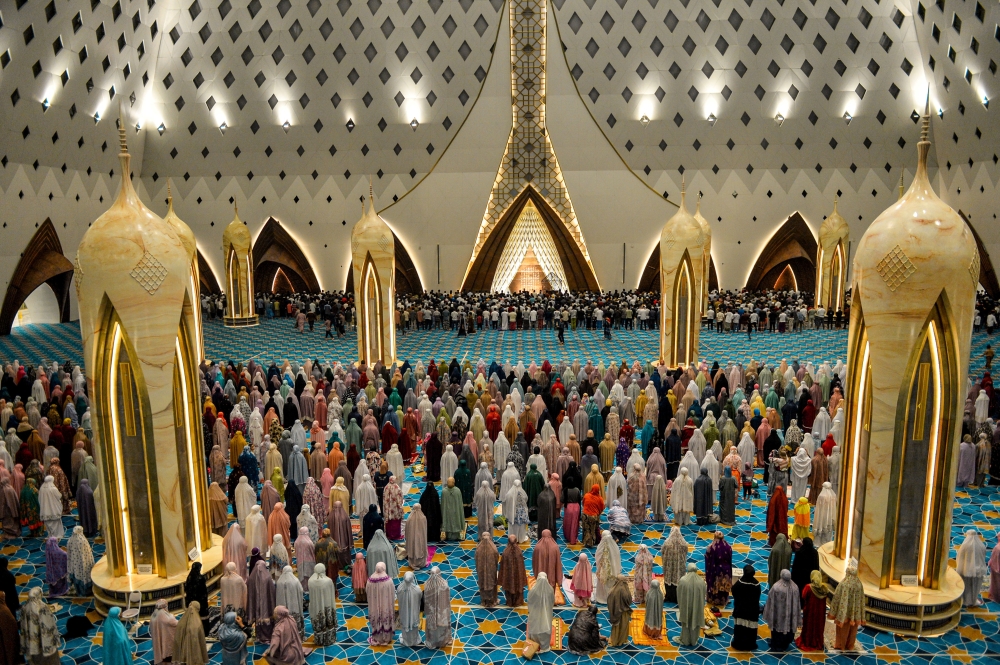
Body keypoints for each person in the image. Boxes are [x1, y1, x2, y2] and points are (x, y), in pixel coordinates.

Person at [828, 558, 865, 650]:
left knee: (842, 629)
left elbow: (838, 597)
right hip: (855, 613)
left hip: (844, 612)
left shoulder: (844, 583)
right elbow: (861, 599)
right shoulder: (859, 583)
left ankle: (840, 645)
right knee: (853, 630)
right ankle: (850, 645)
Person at [762, 569, 800, 651]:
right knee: (788, 629)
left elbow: (770, 601)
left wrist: (767, 612)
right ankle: (785, 643)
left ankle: (776, 644)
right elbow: (797, 604)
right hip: (789, 616)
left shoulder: (776, 587)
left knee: (777, 630)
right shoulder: (795, 587)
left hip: (778, 614)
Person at [730, 564, 761, 651]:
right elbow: (758, 597)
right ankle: (750, 644)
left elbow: (734, 592)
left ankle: (739, 644)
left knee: (740, 627)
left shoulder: (739, 583)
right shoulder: (756, 584)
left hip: (740, 610)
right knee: (750, 629)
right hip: (752, 611)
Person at [796, 570, 830, 651]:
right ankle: (817, 643)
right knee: (818, 627)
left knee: (809, 626)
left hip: (810, 611)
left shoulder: (808, 587)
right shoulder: (824, 588)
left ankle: (808, 642)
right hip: (820, 612)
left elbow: (803, 596)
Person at [677, 563, 706, 647]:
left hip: (686, 605)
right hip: (697, 605)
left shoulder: (683, 580)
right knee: (695, 620)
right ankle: (694, 640)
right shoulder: (701, 581)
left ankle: (685, 640)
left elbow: (679, 593)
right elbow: (703, 593)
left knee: (686, 621)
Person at [366, 562, 395, 645]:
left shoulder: (370, 580)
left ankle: (377, 637)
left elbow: (367, 592)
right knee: (385, 617)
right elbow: (393, 593)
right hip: (386, 605)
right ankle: (386, 638)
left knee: (376, 617)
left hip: (374, 606)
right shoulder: (388, 580)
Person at [308, 563, 338, 646]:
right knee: (327, 619)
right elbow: (332, 593)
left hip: (316, 606)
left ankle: (319, 640)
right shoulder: (328, 581)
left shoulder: (310, 581)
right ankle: (329, 639)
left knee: (318, 620)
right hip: (327, 604)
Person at [956, 529, 987, 606]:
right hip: (978, 570)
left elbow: (960, 557)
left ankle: (966, 600)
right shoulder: (981, 545)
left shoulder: (965, 546)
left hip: (965, 570)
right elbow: (983, 556)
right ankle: (973, 600)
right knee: (975, 587)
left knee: (966, 586)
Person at [424, 567, 452, 648]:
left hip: (431, 613)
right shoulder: (444, 584)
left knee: (433, 630)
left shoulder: (427, 584)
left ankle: (433, 642)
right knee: (442, 629)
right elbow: (447, 600)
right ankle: (444, 641)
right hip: (442, 613)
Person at [704, 531, 733, 609]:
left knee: (715, 584)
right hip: (726, 571)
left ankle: (713, 600)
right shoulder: (729, 547)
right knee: (724, 585)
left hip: (715, 571)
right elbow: (730, 559)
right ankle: (723, 600)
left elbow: (708, 559)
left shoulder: (711, 547)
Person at [660, 527, 688, 603]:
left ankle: (669, 597)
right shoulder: (683, 543)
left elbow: (662, 551)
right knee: (678, 580)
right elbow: (686, 551)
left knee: (669, 580)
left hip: (669, 566)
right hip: (679, 566)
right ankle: (677, 598)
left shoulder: (667, 542)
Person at [499, 534, 527, 607]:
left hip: (508, 575)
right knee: (518, 587)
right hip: (518, 575)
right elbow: (521, 565)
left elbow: (503, 566)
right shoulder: (519, 551)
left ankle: (509, 602)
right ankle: (518, 601)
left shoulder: (505, 552)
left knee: (509, 587)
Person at [396, 571, 423, 647]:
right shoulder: (417, 589)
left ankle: (406, 641)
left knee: (405, 625)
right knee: (413, 626)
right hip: (413, 612)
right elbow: (420, 597)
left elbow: (398, 598)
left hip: (404, 612)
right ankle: (414, 640)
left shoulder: (399, 588)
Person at [594, 530, 622, 603]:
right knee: (611, 583)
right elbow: (617, 558)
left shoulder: (600, 547)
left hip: (603, 570)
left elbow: (597, 557)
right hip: (613, 570)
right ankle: (611, 597)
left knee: (603, 583)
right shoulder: (615, 547)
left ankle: (602, 598)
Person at [66, 526, 94, 595]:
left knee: (77, 577)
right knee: (85, 576)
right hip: (84, 564)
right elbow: (88, 553)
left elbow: (68, 553)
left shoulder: (70, 540)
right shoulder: (83, 541)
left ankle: (79, 593)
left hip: (74, 564)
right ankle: (86, 592)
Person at [150, 599, 178, 665]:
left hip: (157, 643)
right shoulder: (168, 618)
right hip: (167, 644)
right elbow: (177, 625)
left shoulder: (153, 616)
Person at [606, 575, 632, 646]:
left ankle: (615, 640)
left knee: (616, 627)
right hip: (624, 613)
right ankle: (622, 640)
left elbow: (609, 601)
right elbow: (629, 601)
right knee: (624, 626)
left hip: (615, 613)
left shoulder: (612, 590)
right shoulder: (626, 590)